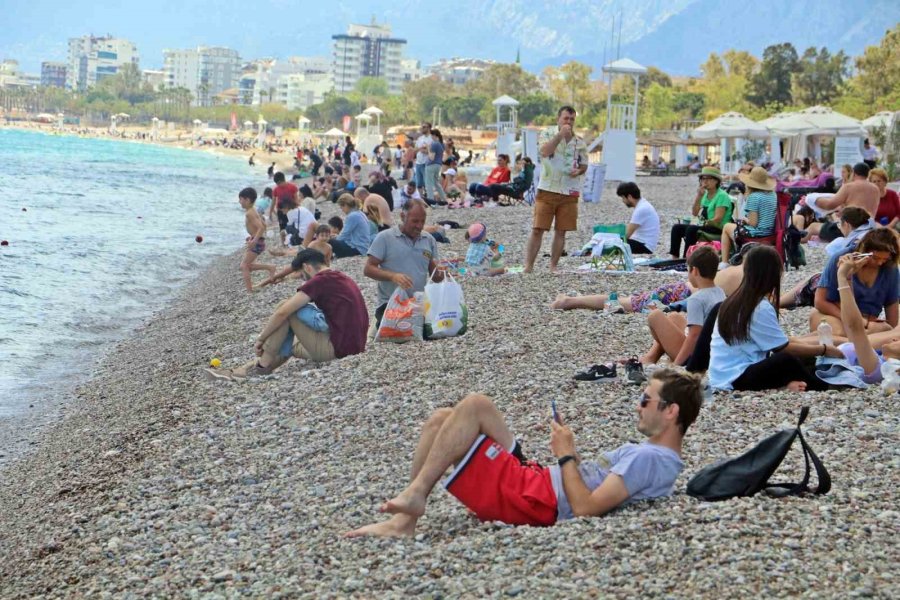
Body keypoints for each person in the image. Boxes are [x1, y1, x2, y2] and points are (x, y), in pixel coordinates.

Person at [345, 369, 701, 538]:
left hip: (538, 500)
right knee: (444, 418)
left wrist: (565, 455)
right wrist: (567, 455)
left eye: (645, 400)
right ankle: (406, 516)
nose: (638, 406)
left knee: (473, 405)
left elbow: (586, 509)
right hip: (539, 483)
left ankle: (412, 504)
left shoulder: (650, 459)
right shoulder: (655, 457)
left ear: (671, 412)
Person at [208, 250, 368, 380]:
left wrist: (261, 339)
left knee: (286, 309)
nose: (302, 278)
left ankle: (261, 368)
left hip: (337, 350)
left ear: (307, 267)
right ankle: (246, 369)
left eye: (300, 274)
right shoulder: (341, 277)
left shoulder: (319, 281)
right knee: (288, 343)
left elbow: (283, 312)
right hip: (354, 346)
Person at [708, 246, 842, 392]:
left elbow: (777, 341)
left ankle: (793, 384)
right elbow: (782, 348)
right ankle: (822, 386)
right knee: (787, 360)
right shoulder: (759, 306)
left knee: (802, 358)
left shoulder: (735, 300)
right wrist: (823, 350)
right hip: (736, 378)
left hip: (722, 375)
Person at [524, 106, 589, 273]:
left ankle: (553, 266)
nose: (569, 122)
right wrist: (560, 135)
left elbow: (584, 164)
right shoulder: (547, 134)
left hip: (570, 191)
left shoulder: (579, 142)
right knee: (538, 229)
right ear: (558, 119)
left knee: (562, 230)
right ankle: (528, 266)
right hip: (547, 188)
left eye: (572, 119)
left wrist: (579, 171)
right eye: (566, 118)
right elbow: (545, 152)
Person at [364, 199, 443, 328]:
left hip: (418, 303)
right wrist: (393, 276)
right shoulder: (385, 237)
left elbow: (436, 276)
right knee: (404, 331)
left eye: (422, 221)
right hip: (390, 304)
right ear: (402, 216)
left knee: (438, 330)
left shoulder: (429, 240)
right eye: (415, 221)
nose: (419, 225)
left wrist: (443, 273)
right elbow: (368, 269)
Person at [641, 246, 725, 366]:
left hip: (697, 357)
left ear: (694, 271)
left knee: (655, 316)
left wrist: (677, 364)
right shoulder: (719, 291)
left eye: (688, 270)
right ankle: (650, 357)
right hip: (712, 350)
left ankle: (665, 359)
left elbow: (694, 335)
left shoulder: (696, 299)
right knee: (674, 316)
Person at [812, 228, 900, 337]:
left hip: (868, 323)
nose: (880, 263)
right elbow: (820, 301)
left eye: (884, 259)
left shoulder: (890, 268)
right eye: (875, 258)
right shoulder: (841, 259)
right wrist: (857, 321)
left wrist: (891, 334)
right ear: (864, 251)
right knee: (845, 335)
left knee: (882, 332)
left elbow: (892, 308)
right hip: (834, 315)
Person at [831, 253, 900, 384]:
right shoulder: (878, 358)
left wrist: (841, 277)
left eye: (899, 341)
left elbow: (854, 328)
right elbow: (851, 326)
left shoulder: (875, 369)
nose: (894, 339)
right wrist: (848, 278)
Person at [668, 167, 733, 258]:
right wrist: (699, 196)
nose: (705, 181)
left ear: (716, 181)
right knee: (677, 228)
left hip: (717, 228)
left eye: (709, 178)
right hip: (705, 225)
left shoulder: (722, 195)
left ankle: (687, 258)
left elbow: (718, 219)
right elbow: (694, 213)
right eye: (703, 178)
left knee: (691, 229)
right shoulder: (705, 194)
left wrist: (702, 223)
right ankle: (674, 257)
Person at [719, 166, 778, 262]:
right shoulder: (773, 195)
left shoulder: (754, 197)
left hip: (756, 234)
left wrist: (745, 220)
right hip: (771, 233)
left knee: (726, 227)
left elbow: (753, 223)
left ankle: (724, 262)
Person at [815, 163, 880, 241]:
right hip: (869, 228)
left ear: (854, 173)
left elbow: (829, 205)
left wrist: (814, 199)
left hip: (849, 230)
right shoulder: (876, 189)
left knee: (813, 227)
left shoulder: (848, 187)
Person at [238, 188, 276, 292]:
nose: (239, 202)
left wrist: (254, 240)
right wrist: (252, 236)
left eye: (240, 199)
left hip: (257, 242)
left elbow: (261, 227)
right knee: (247, 265)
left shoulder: (249, 213)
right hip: (258, 241)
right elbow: (263, 224)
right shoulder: (254, 210)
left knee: (244, 265)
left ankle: (249, 291)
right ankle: (270, 267)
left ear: (247, 200)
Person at [618, 182, 660, 255]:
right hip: (643, 243)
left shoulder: (641, 209)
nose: (623, 201)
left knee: (613, 244)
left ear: (630, 197)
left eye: (623, 198)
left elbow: (626, 235)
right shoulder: (643, 204)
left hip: (645, 246)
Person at [329, 194, 373, 259]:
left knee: (329, 241)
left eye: (342, 207)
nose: (342, 210)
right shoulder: (359, 213)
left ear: (346, 205)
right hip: (364, 247)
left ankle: (327, 258)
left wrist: (334, 239)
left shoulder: (352, 216)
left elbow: (344, 235)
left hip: (358, 249)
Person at [269, 172, 299, 240]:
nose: (278, 185)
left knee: (292, 225)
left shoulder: (292, 187)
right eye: (277, 184)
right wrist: (270, 212)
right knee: (282, 227)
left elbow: (296, 199)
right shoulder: (276, 189)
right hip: (281, 211)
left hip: (291, 209)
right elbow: (273, 201)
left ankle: (292, 239)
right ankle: (284, 242)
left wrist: (297, 208)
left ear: (282, 181)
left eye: (278, 183)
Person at [424, 128, 448, 205]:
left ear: (434, 135)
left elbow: (431, 157)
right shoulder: (442, 144)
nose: (431, 137)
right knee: (436, 183)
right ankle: (444, 198)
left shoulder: (434, 144)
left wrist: (428, 148)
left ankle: (430, 201)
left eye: (431, 135)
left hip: (431, 165)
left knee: (429, 183)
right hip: (438, 165)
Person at [414, 122, 433, 196]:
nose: (422, 128)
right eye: (422, 127)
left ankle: (428, 197)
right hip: (418, 163)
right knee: (419, 183)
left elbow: (431, 152)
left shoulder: (431, 138)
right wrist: (422, 148)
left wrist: (423, 150)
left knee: (426, 182)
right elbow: (415, 149)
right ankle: (420, 198)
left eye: (424, 127)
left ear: (429, 128)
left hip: (426, 163)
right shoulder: (420, 138)